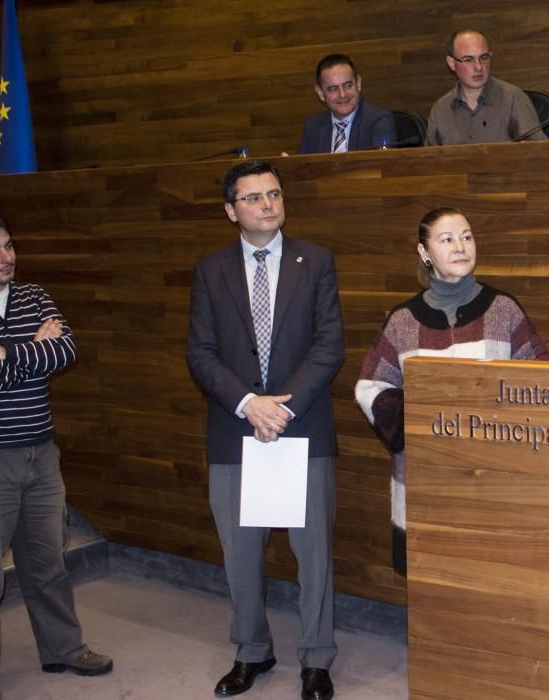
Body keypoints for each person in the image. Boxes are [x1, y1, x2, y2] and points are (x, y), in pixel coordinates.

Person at [0, 210, 113, 700]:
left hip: (40, 453)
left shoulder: (35, 297)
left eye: (9, 246)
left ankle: (63, 649)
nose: (7, 257)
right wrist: (31, 345)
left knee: (48, 560)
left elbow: (66, 351)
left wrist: (3, 353)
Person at [186, 160, 344, 700]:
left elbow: (329, 346)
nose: (267, 205)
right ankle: (252, 649)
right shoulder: (210, 271)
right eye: (252, 198)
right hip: (236, 431)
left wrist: (283, 408)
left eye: (274, 194)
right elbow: (200, 354)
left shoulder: (316, 261)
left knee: (313, 553)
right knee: (241, 553)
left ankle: (317, 658)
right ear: (231, 210)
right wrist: (249, 404)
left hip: (303, 429)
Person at [355, 207, 549, 573]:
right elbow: (370, 386)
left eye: (467, 236)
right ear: (424, 253)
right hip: (424, 478)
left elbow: (542, 381)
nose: (461, 246)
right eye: (447, 239)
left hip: (493, 480)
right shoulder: (402, 320)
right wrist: (420, 413)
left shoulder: (503, 310)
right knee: (432, 583)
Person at [425, 30, 546, 146]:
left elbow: (540, 152)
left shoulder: (514, 98)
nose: (478, 67)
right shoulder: (440, 109)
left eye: (484, 58)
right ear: (451, 63)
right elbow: (427, 162)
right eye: (468, 59)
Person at [298, 53, 397, 154]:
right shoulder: (313, 126)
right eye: (333, 89)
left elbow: (381, 166)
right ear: (320, 93)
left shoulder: (378, 120)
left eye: (348, 85)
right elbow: (304, 168)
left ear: (358, 84)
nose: (342, 94)